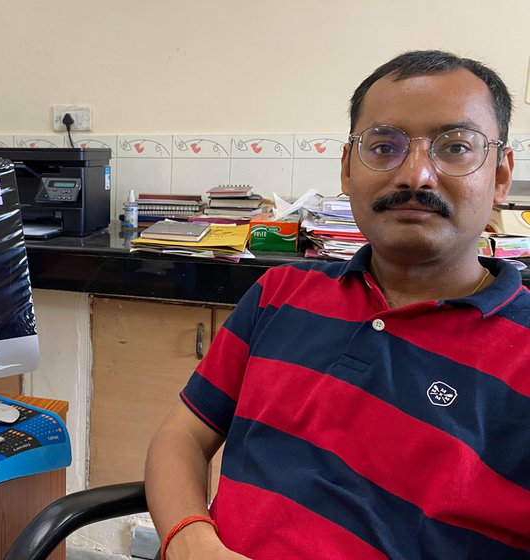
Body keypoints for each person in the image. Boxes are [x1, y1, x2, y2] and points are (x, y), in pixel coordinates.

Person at [145, 50, 530, 559]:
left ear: (500, 176)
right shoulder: (278, 295)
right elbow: (182, 439)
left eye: (455, 147)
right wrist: (190, 541)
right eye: (384, 146)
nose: (416, 175)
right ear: (347, 169)